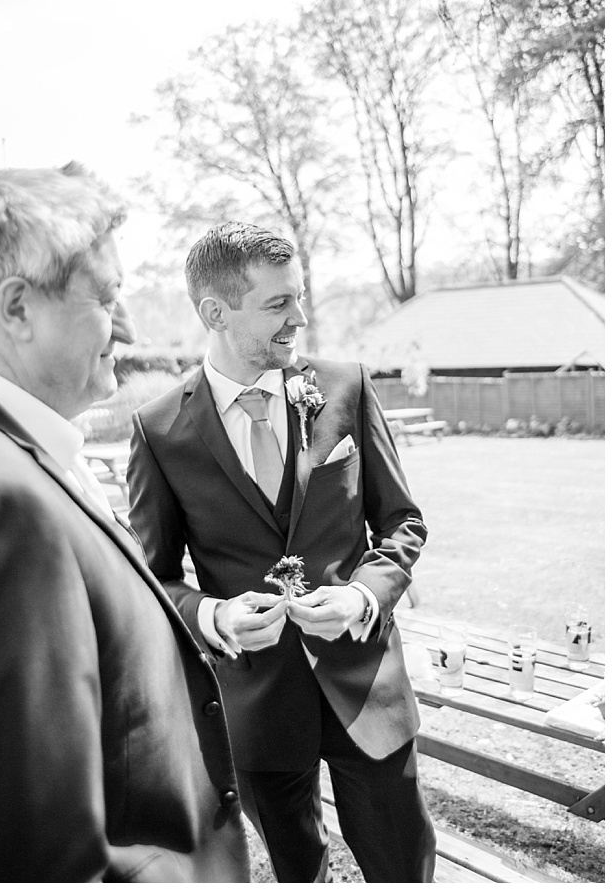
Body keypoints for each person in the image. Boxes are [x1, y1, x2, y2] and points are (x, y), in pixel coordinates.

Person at [0, 165, 250, 883]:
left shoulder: (25, 452)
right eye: (108, 298)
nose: (128, 328)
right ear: (17, 308)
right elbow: (28, 850)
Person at [127, 221, 437, 883]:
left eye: (297, 298)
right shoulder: (157, 430)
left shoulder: (345, 386)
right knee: (298, 871)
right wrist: (213, 618)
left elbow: (401, 520)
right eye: (276, 305)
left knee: (403, 867)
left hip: (366, 688)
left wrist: (361, 594)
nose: (298, 317)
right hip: (255, 704)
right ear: (215, 312)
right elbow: (151, 579)